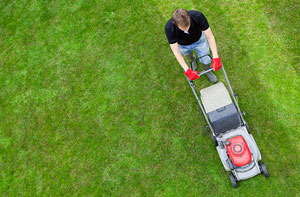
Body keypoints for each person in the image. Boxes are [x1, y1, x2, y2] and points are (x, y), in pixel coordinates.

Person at [164, 8, 223, 83]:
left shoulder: (198, 16)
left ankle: (207, 70)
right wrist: (187, 70)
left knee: (206, 59)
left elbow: (210, 37)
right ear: (175, 23)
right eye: (183, 29)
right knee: (188, 55)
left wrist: (216, 57)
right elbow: (176, 51)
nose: (186, 31)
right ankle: (192, 61)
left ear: (189, 18)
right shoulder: (169, 28)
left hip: (199, 41)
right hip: (183, 46)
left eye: (188, 26)